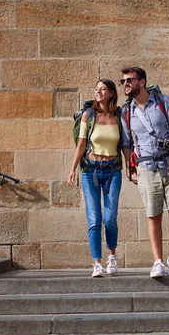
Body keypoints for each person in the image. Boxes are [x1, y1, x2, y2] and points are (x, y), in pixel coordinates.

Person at [120, 66, 169, 278]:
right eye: (123, 81)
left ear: (142, 82)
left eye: (129, 80)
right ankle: (157, 262)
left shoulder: (163, 102)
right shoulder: (126, 112)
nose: (125, 84)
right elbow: (127, 144)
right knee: (153, 215)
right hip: (146, 167)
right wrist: (131, 169)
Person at [67, 79, 122, 277]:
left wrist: (132, 168)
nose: (98, 92)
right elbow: (81, 144)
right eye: (96, 89)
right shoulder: (88, 115)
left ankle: (112, 255)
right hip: (90, 171)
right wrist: (73, 169)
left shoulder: (118, 115)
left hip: (113, 171)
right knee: (94, 219)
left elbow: (124, 144)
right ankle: (96, 263)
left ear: (111, 93)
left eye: (103, 89)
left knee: (110, 218)